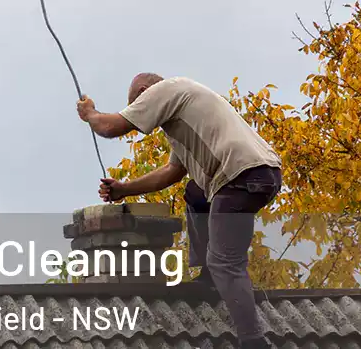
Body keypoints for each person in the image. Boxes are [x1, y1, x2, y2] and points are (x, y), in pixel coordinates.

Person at [75, 73, 282, 349]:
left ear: (145, 91)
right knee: (196, 193)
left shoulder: (166, 89)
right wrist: (124, 188)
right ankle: (209, 278)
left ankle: (253, 341)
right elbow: (173, 171)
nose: (140, 111)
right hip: (259, 173)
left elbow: (111, 127)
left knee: (226, 263)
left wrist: (90, 113)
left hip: (239, 177)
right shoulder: (183, 112)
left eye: (138, 103)